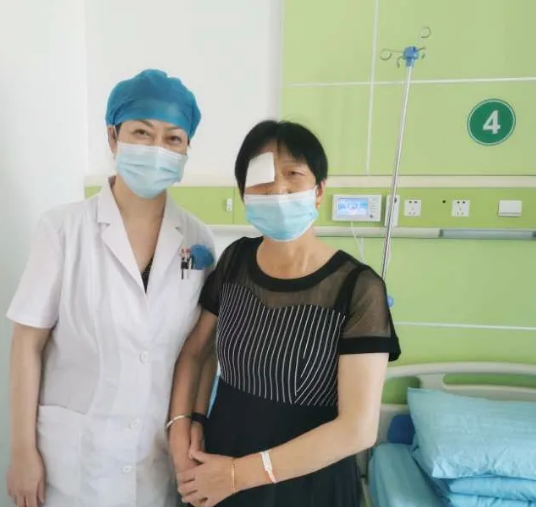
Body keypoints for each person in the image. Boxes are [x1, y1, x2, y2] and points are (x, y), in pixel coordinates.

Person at [5, 69, 217, 507]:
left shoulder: (199, 242)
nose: (157, 149)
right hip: (75, 462)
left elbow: (200, 352)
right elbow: (27, 343)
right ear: (113, 136)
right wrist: (22, 450)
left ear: (186, 150)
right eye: (142, 132)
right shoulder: (63, 230)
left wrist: (193, 424)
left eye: (173, 139)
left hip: (156, 460)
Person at [167, 120, 402, 507]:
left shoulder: (358, 288)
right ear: (244, 193)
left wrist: (237, 475)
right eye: (262, 177)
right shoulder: (235, 261)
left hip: (307, 483)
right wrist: (185, 422)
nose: (277, 188)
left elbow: (358, 429)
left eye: (293, 173)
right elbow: (196, 351)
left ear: (319, 191)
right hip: (217, 464)